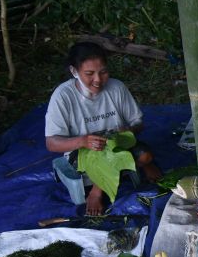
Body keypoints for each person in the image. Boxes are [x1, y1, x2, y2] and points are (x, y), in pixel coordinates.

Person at [45, 42, 162, 215]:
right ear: (74, 72)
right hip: (83, 151)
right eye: (89, 74)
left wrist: (129, 130)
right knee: (103, 157)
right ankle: (96, 191)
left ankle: (143, 165)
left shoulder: (117, 88)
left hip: (119, 145)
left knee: (145, 156)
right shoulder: (63, 96)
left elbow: (138, 123)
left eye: (103, 72)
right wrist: (83, 141)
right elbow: (52, 143)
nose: (98, 80)